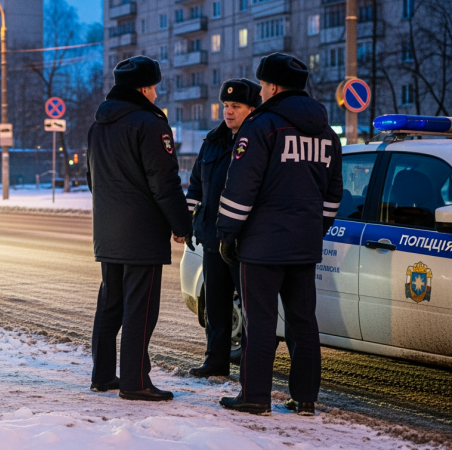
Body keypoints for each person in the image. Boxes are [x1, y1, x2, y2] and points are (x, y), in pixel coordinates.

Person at [215, 53, 343, 416]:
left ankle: (254, 396)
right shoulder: (327, 133)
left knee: (260, 323)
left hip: (261, 248)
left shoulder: (261, 126)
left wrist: (227, 235)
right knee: (304, 324)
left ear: (271, 87)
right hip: (304, 246)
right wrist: (313, 229)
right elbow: (333, 195)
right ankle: (305, 398)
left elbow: (241, 189)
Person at [86, 56, 192, 402]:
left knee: (110, 304)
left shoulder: (98, 124)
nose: (157, 94)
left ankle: (103, 375)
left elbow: (92, 179)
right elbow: (164, 181)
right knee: (140, 309)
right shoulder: (149, 124)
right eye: (155, 87)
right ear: (144, 88)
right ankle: (135, 382)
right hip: (142, 232)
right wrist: (181, 223)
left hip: (108, 230)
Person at [186, 79, 261, 378]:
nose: (228, 112)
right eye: (226, 106)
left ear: (252, 109)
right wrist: (189, 220)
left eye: (236, 106)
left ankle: (250, 366)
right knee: (215, 305)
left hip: (244, 241)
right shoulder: (213, 140)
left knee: (251, 307)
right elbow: (195, 185)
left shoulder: (257, 141)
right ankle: (215, 360)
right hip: (212, 237)